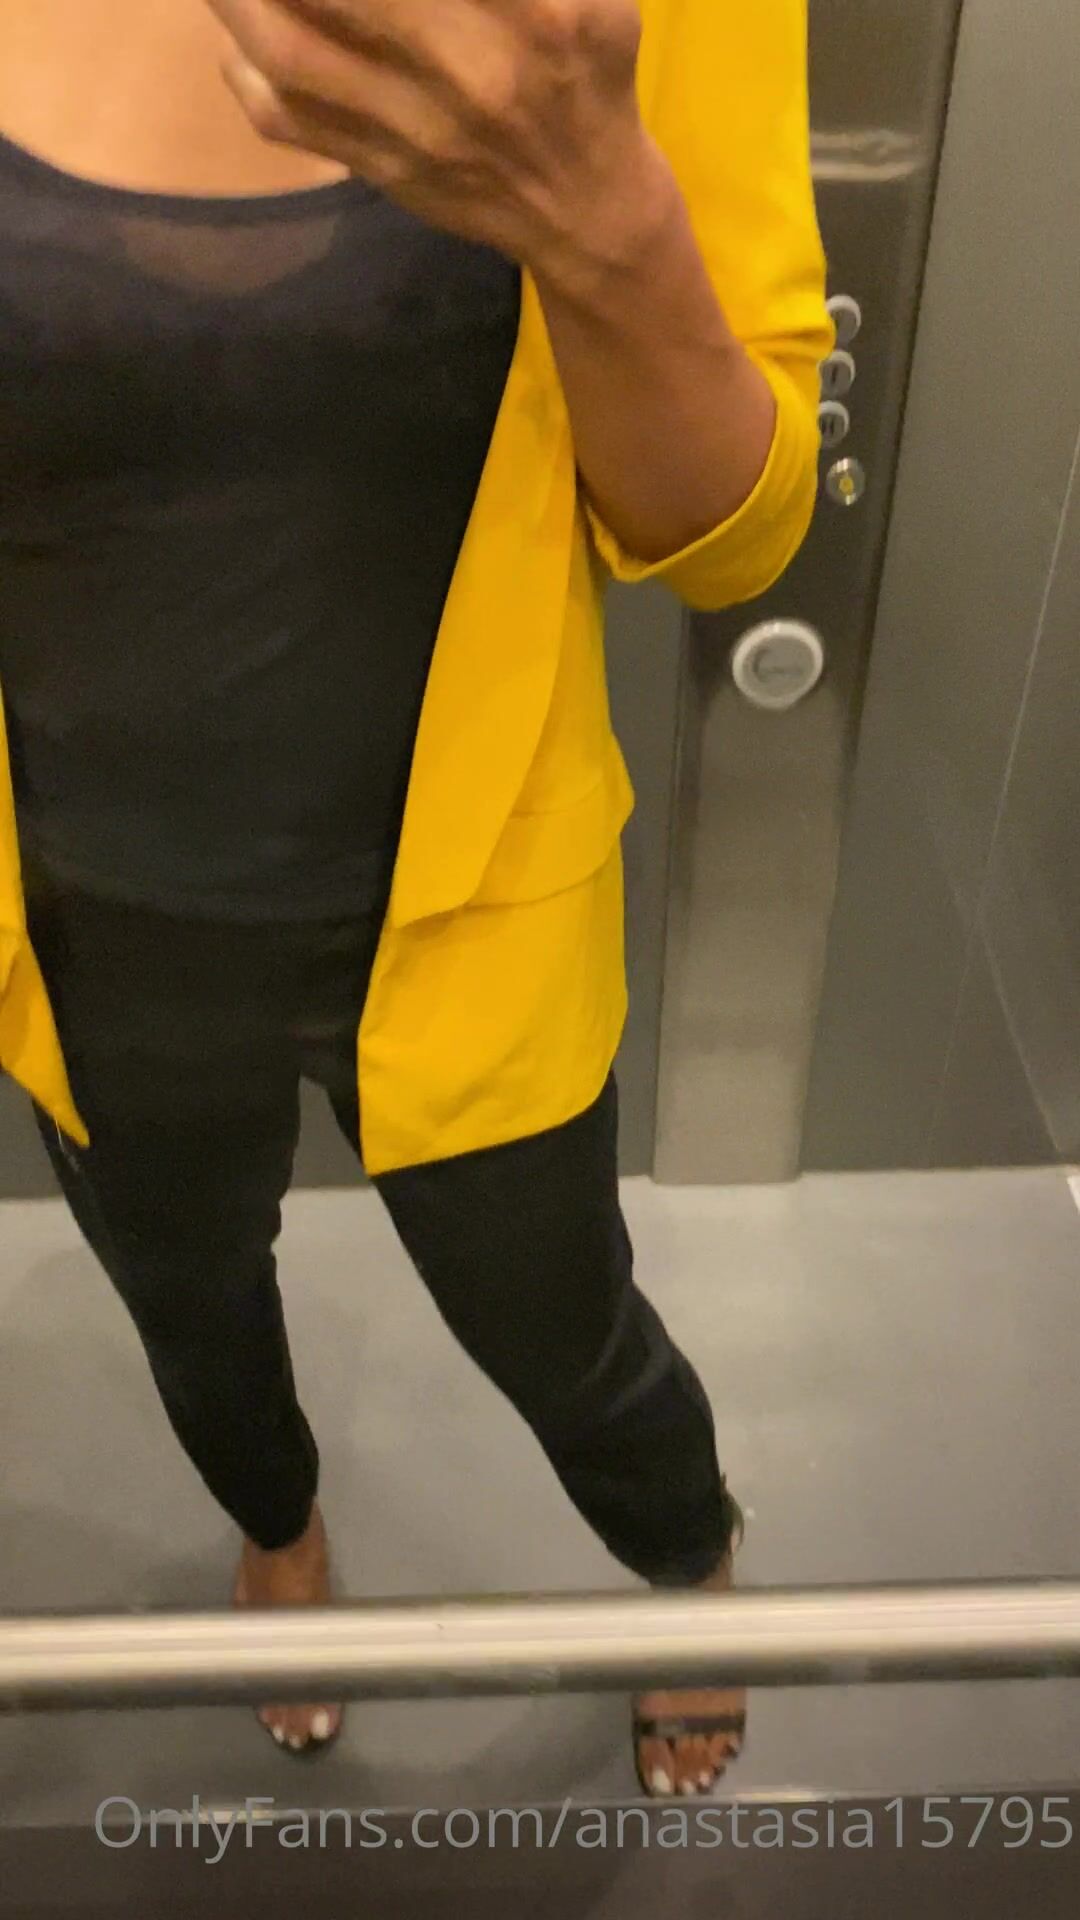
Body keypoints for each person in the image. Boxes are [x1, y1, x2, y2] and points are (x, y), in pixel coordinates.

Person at [0, 0, 831, 1792]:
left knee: (565, 1329)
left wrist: (607, 222)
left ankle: (690, 1565)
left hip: (469, 907)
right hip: (80, 910)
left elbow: (736, 537)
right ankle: (281, 1535)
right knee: (191, 1309)